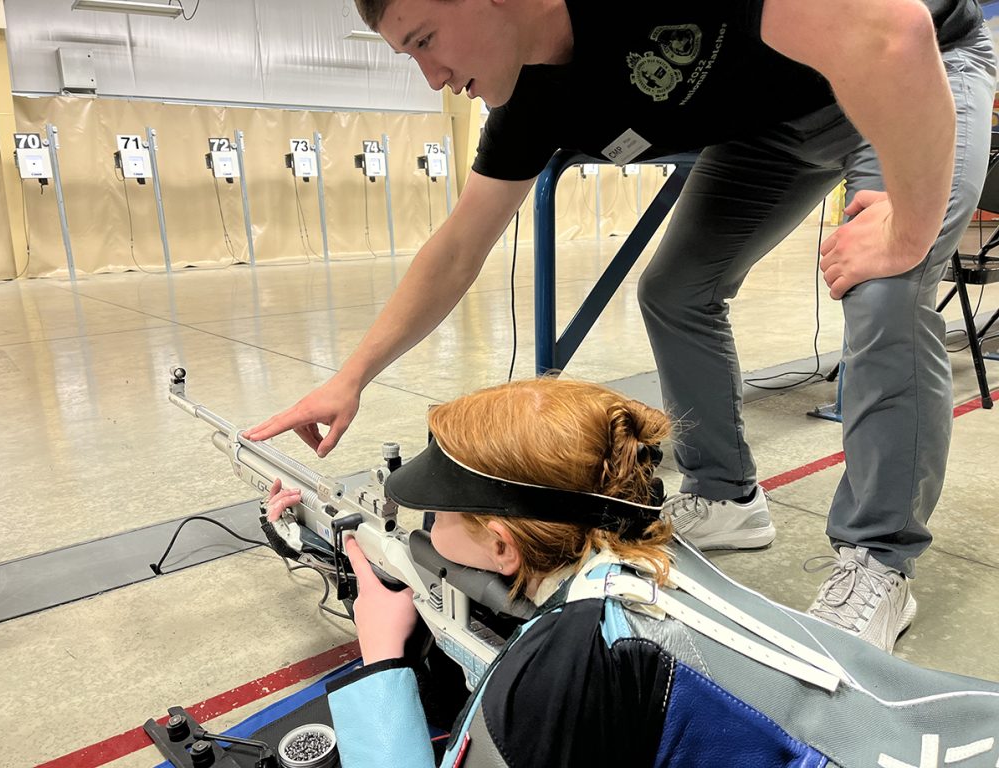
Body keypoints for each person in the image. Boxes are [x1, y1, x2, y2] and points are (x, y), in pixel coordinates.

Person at [245, 0, 999, 652]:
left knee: (886, 289)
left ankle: (879, 561)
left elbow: (890, 31)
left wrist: (908, 234)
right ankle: (727, 494)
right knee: (675, 290)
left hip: (916, 70)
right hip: (773, 125)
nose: (432, 76)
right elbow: (456, 251)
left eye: (423, 39)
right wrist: (350, 379)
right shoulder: (534, 95)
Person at [262, 378, 999, 768]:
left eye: (440, 517)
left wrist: (381, 657)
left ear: (504, 546)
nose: (426, 528)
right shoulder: (650, 546)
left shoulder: (562, 669)